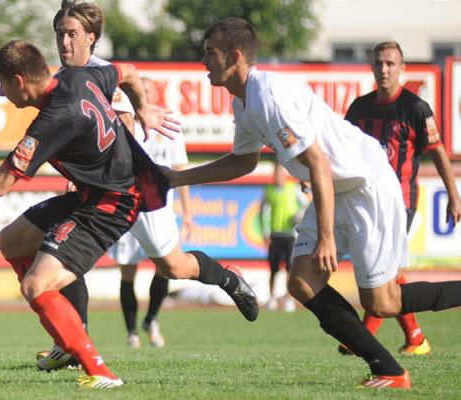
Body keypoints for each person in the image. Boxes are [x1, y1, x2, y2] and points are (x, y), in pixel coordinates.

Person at [163, 17, 461, 390]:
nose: (203, 62)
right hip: (333, 187)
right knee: (302, 283)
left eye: (210, 54)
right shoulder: (243, 102)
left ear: (235, 56)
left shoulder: (269, 96)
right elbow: (244, 161)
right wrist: (178, 177)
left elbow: (318, 161)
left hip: (366, 185)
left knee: (383, 303)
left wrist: (326, 238)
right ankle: (389, 370)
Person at [0, 39, 180, 388]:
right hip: (94, 194)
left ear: (19, 81)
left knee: (35, 285)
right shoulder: (79, 77)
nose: (1, 93)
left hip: (111, 204)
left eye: (1, 84)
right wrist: (142, 107)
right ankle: (65, 338)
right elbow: (129, 73)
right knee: (12, 241)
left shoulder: (53, 118)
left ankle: (97, 370)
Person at [34, 0, 258, 371]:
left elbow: (118, 132)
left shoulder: (103, 73)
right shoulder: (64, 75)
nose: (64, 41)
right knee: (60, 255)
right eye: (59, 33)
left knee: (173, 266)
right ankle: (73, 343)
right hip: (99, 192)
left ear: (91, 39)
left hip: (131, 190)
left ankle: (227, 278)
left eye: (71, 34)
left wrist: (138, 111)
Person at [340, 41, 461, 357]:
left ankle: (362, 339)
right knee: (385, 270)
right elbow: (341, 152)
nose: (384, 70)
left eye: (390, 64)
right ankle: (416, 337)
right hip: (364, 201)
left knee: (386, 270)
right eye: (379, 63)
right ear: (371, 67)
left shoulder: (416, 108)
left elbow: (438, 153)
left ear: (402, 68)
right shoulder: (359, 109)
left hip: (400, 203)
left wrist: (453, 194)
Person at [109, 77, 193, 349]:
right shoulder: (121, 124)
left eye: (145, 92)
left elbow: (179, 170)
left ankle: (152, 318)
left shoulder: (169, 124)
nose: (140, 96)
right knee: (128, 272)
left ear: (153, 95)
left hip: (160, 210)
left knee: (167, 268)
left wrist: (188, 213)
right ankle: (132, 332)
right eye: (135, 92)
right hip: (127, 210)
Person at [259, 162, 303, 312]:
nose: (278, 176)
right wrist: (265, 232)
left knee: (290, 269)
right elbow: (262, 212)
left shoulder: (293, 188)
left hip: (291, 235)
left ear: (285, 174)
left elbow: (304, 205)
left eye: (281, 173)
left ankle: (288, 299)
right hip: (275, 235)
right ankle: (271, 299)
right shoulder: (269, 191)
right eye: (276, 173)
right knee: (273, 269)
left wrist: (299, 216)